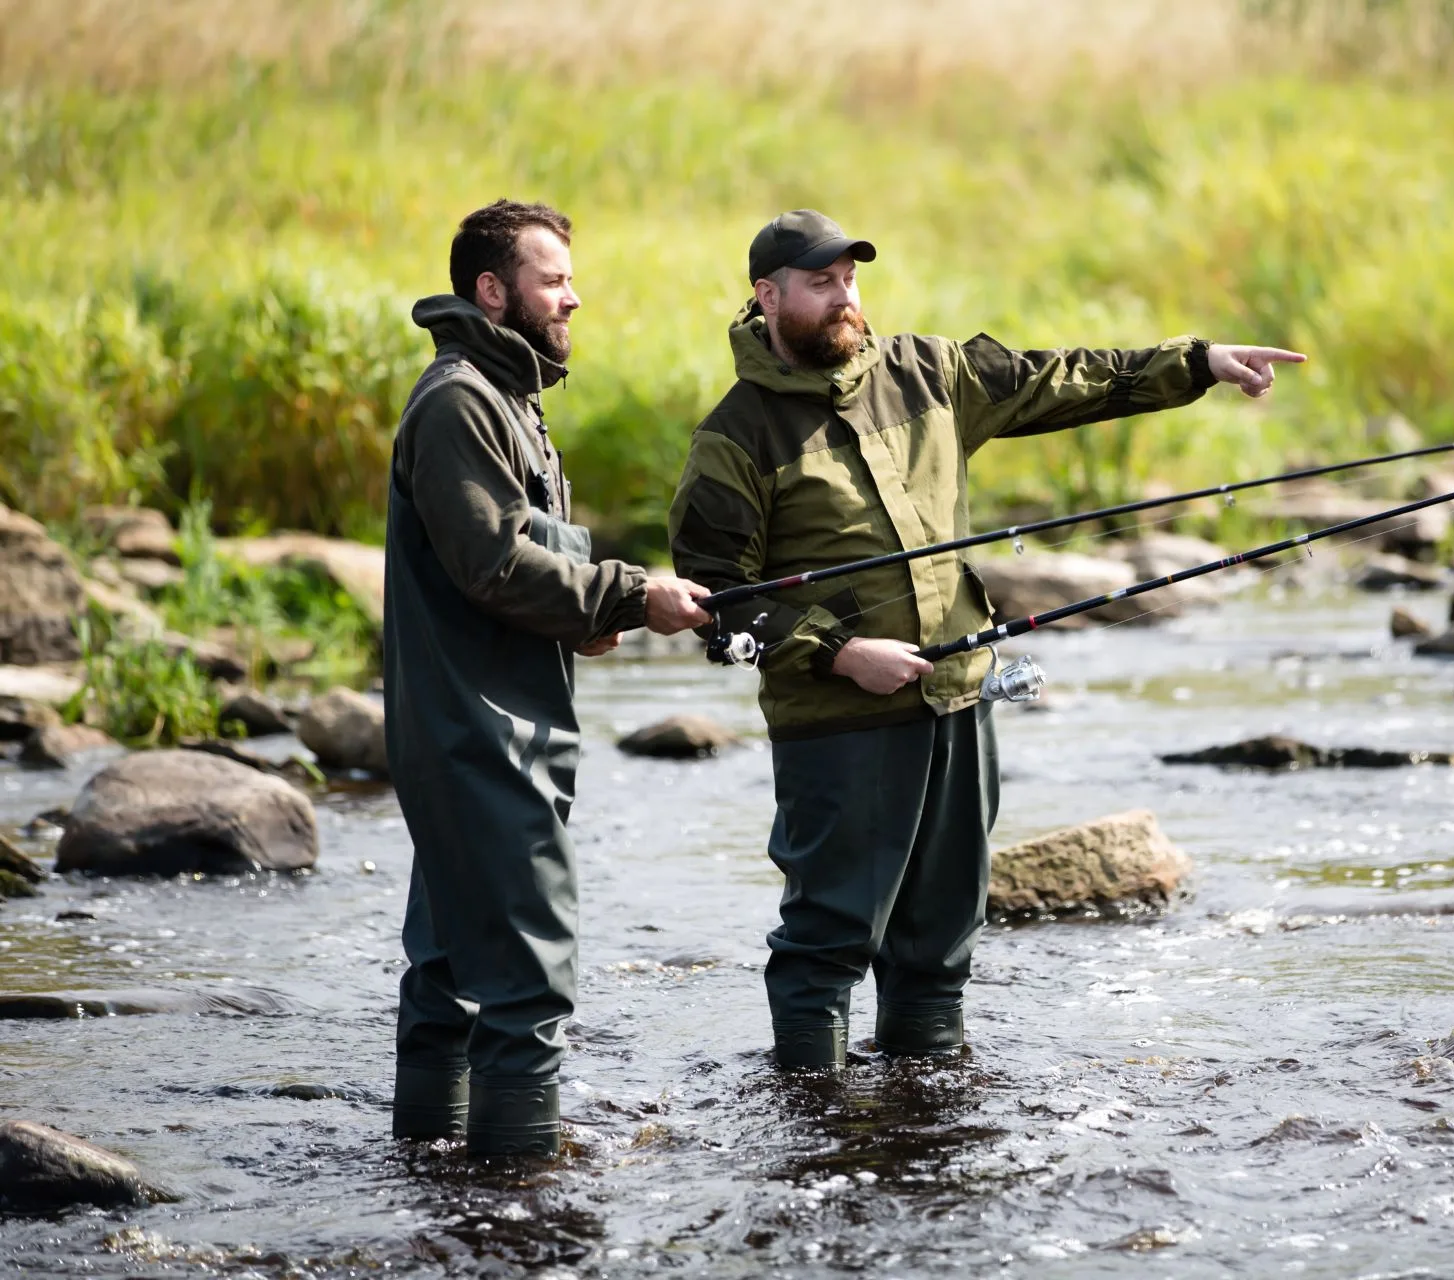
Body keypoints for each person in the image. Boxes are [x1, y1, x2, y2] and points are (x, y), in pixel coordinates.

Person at [668, 210, 1304, 1069]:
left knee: (940, 941)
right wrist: (841, 654)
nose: (845, 297)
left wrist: (1196, 364)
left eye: (851, 279)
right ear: (768, 296)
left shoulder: (930, 372)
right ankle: (808, 1136)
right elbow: (719, 600)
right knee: (826, 941)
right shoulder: (735, 435)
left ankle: (924, 1122)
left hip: (959, 699)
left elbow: (1061, 378)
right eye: (822, 284)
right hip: (837, 724)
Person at [384, 199, 711, 1155]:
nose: (575, 296)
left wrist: (583, 622)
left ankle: (431, 1185)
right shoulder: (459, 403)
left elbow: (509, 570)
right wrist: (628, 594)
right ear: (493, 290)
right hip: (481, 738)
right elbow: (491, 564)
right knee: (528, 986)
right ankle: (517, 1211)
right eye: (553, 278)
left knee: (444, 970)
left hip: (483, 725)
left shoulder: (505, 397)